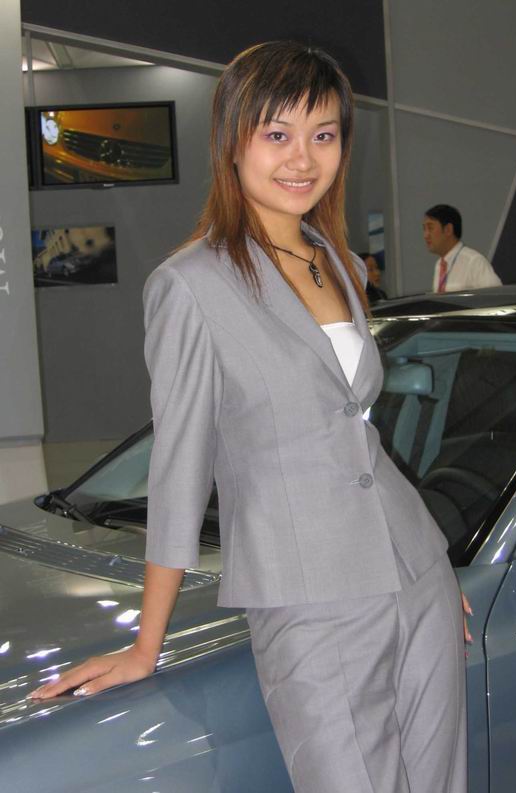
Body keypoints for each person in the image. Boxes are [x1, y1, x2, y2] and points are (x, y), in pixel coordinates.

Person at [29, 42, 472, 793]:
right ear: (232, 141)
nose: (303, 158)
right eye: (277, 133)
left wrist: (423, 555)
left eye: (323, 134)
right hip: (307, 598)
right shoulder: (190, 285)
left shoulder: (336, 260)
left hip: (416, 573)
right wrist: (146, 644)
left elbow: (353, 428)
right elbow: (179, 467)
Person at [423, 204, 502, 292]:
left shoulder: (474, 262)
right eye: (424, 229)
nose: (426, 235)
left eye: (430, 228)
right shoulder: (439, 265)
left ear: (448, 229)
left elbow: (496, 295)